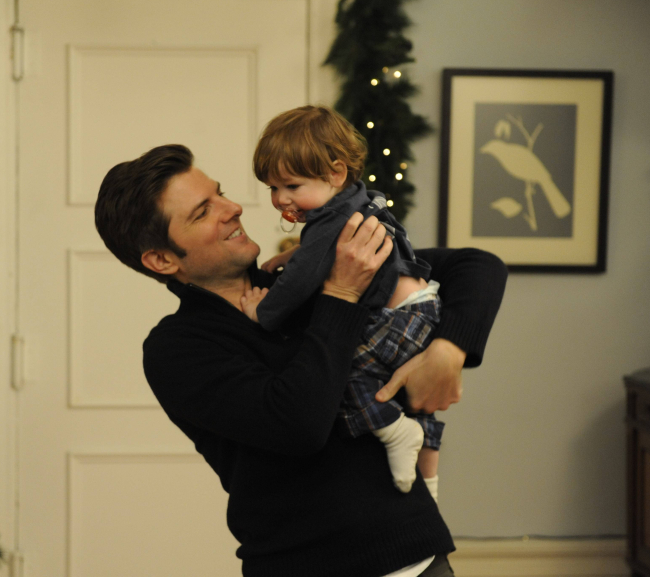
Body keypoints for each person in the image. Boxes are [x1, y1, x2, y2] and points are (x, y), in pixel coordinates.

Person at [95, 143, 507, 577]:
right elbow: (300, 423)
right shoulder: (177, 348)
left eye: (220, 193)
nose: (233, 208)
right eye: (203, 212)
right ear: (161, 259)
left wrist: (448, 349)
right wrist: (341, 294)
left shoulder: (301, 276)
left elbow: (476, 267)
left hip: (419, 557)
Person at [240, 105, 443, 497]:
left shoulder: (329, 221)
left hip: (396, 319)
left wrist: (262, 312)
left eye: (291, 186)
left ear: (335, 173)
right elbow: (320, 253)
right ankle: (429, 483)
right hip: (420, 307)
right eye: (272, 188)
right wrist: (296, 253)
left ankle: (395, 432)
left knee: (338, 376)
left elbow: (298, 283)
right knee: (414, 394)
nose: (280, 199)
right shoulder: (355, 201)